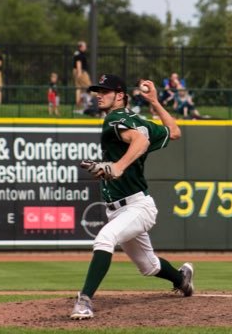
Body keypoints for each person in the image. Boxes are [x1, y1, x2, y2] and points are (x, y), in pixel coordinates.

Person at [70, 74, 194, 320]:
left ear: (120, 95)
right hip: (121, 208)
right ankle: (182, 279)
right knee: (149, 267)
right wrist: (156, 102)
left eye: (105, 91)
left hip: (137, 206)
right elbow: (175, 132)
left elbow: (140, 140)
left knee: (105, 238)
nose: (99, 95)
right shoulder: (140, 120)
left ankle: (84, 300)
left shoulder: (114, 119)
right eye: (98, 91)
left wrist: (118, 166)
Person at [72, 41, 92, 110]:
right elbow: (78, 63)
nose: (86, 47)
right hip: (81, 72)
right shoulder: (79, 54)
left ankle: (79, 105)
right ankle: (89, 104)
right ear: (81, 47)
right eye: (85, 46)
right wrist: (79, 73)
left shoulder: (77, 53)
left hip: (77, 71)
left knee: (79, 88)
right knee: (89, 87)